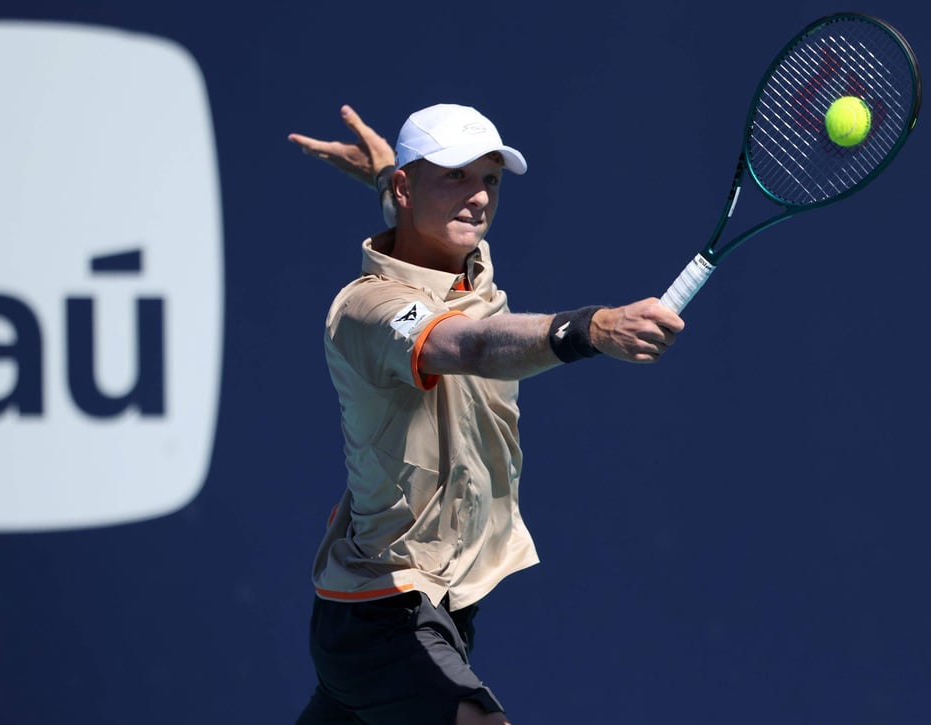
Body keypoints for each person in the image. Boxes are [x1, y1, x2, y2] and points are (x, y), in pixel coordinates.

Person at [288, 102, 684, 725]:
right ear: (407, 188)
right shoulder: (368, 308)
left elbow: (414, 219)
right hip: (383, 611)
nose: (477, 198)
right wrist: (592, 328)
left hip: (438, 610)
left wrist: (389, 173)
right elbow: (463, 344)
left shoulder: (463, 265)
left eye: (490, 180)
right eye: (454, 176)